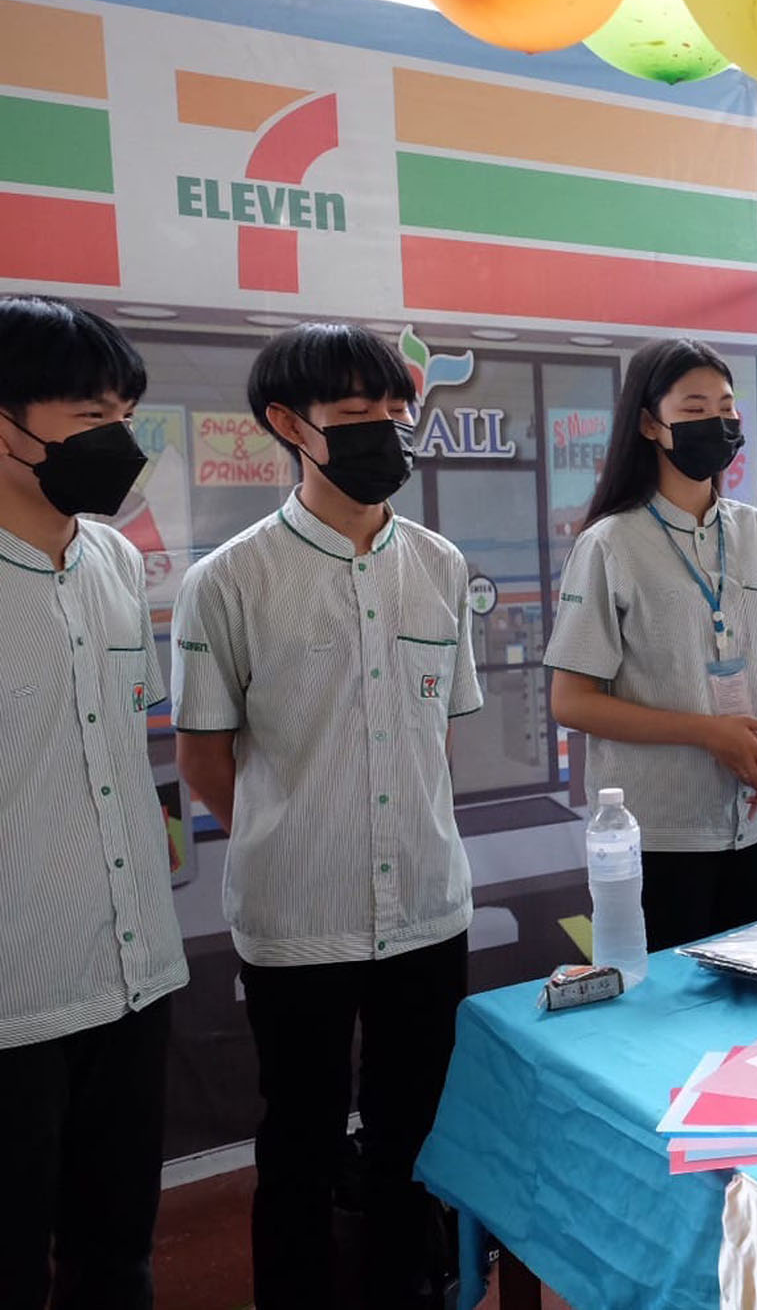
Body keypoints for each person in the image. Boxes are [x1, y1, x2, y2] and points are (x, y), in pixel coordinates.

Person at [172, 322, 481, 1310]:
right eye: (355, 418)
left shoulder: (437, 564)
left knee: (413, 1140)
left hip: (430, 910)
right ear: (285, 425)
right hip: (296, 918)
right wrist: (295, 824)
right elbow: (205, 757)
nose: (383, 435)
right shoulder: (225, 581)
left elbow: (437, 734)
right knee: (299, 1145)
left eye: (396, 415)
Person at [0, 295, 187, 1309]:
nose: (117, 442)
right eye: (88, 419)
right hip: (11, 1003)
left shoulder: (117, 563)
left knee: (118, 1257)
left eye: (125, 415)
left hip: (133, 976)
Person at [544, 339, 757, 948]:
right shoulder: (610, 544)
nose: (717, 421)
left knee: (749, 1018)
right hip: (660, 835)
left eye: (726, 405)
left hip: (755, 821)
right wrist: (707, 731)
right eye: (693, 408)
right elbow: (571, 701)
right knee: (666, 1026)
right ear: (650, 424)